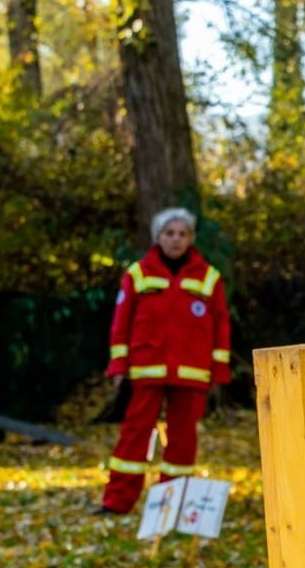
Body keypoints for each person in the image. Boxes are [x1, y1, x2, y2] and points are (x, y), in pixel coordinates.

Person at [98, 207, 233, 514]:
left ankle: (172, 506)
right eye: (169, 233)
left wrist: (219, 370)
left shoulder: (209, 278)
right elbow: (121, 323)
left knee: (183, 441)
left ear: (191, 239)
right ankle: (117, 501)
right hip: (146, 370)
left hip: (192, 372)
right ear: (158, 237)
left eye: (182, 234)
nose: (176, 239)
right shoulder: (138, 274)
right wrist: (119, 364)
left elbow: (221, 325)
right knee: (134, 436)